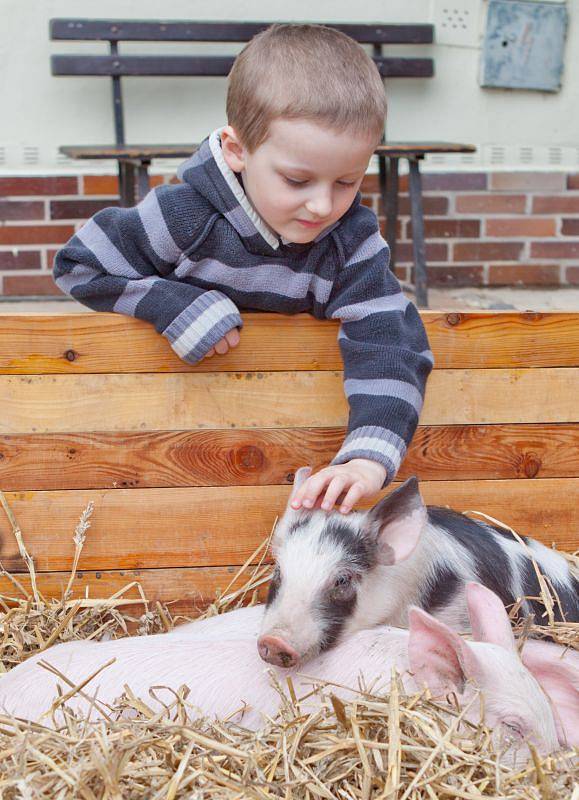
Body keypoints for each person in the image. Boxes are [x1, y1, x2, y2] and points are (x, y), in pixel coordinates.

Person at [53, 23, 433, 516]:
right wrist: (171, 302)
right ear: (237, 151)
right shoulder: (184, 216)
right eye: (297, 179)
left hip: (286, 456)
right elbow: (79, 264)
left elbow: (390, 338)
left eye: (347, 180)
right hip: (165, 467)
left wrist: (367, 460)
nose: (322, 205)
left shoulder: (350, 241)